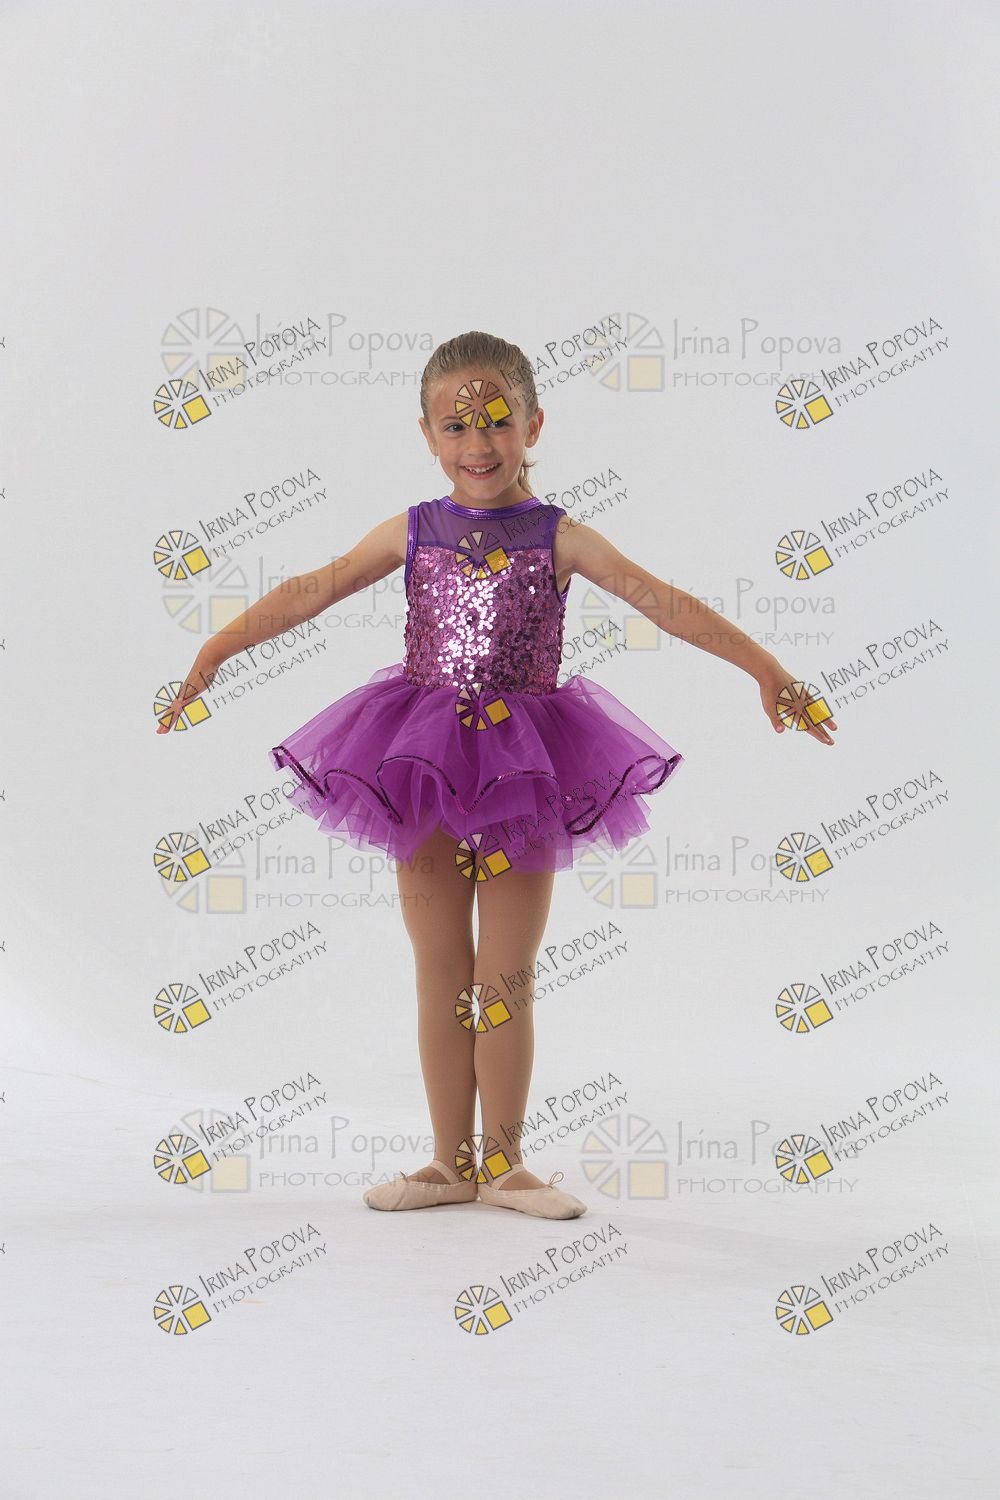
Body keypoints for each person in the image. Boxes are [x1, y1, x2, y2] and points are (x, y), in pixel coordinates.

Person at [157, 329, 837, 1221]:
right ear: (427, 435)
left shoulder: (562, 538)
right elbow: (313, 588)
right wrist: (214, 650)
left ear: (534, 425)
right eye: (455, 425)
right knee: (441, 967)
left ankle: (508, 1164)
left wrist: (766, 670)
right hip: (420, 763)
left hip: (526, 771)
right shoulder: (412, 531)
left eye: (497, 421)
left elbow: (666, 603)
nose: (477, 443)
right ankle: (449, 1163)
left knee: (504, 976)